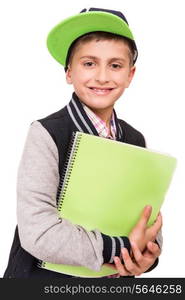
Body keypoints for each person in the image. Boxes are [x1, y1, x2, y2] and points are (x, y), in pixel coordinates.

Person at [4, 7, 162, 278]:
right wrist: (123, 248)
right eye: (89, 63)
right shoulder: (47, 133)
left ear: (130, 75)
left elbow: (148, 222)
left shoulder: (135, 140)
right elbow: (37, 231)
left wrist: (146, 256)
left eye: (115, 65)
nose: (102, 76)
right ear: (68, 72)